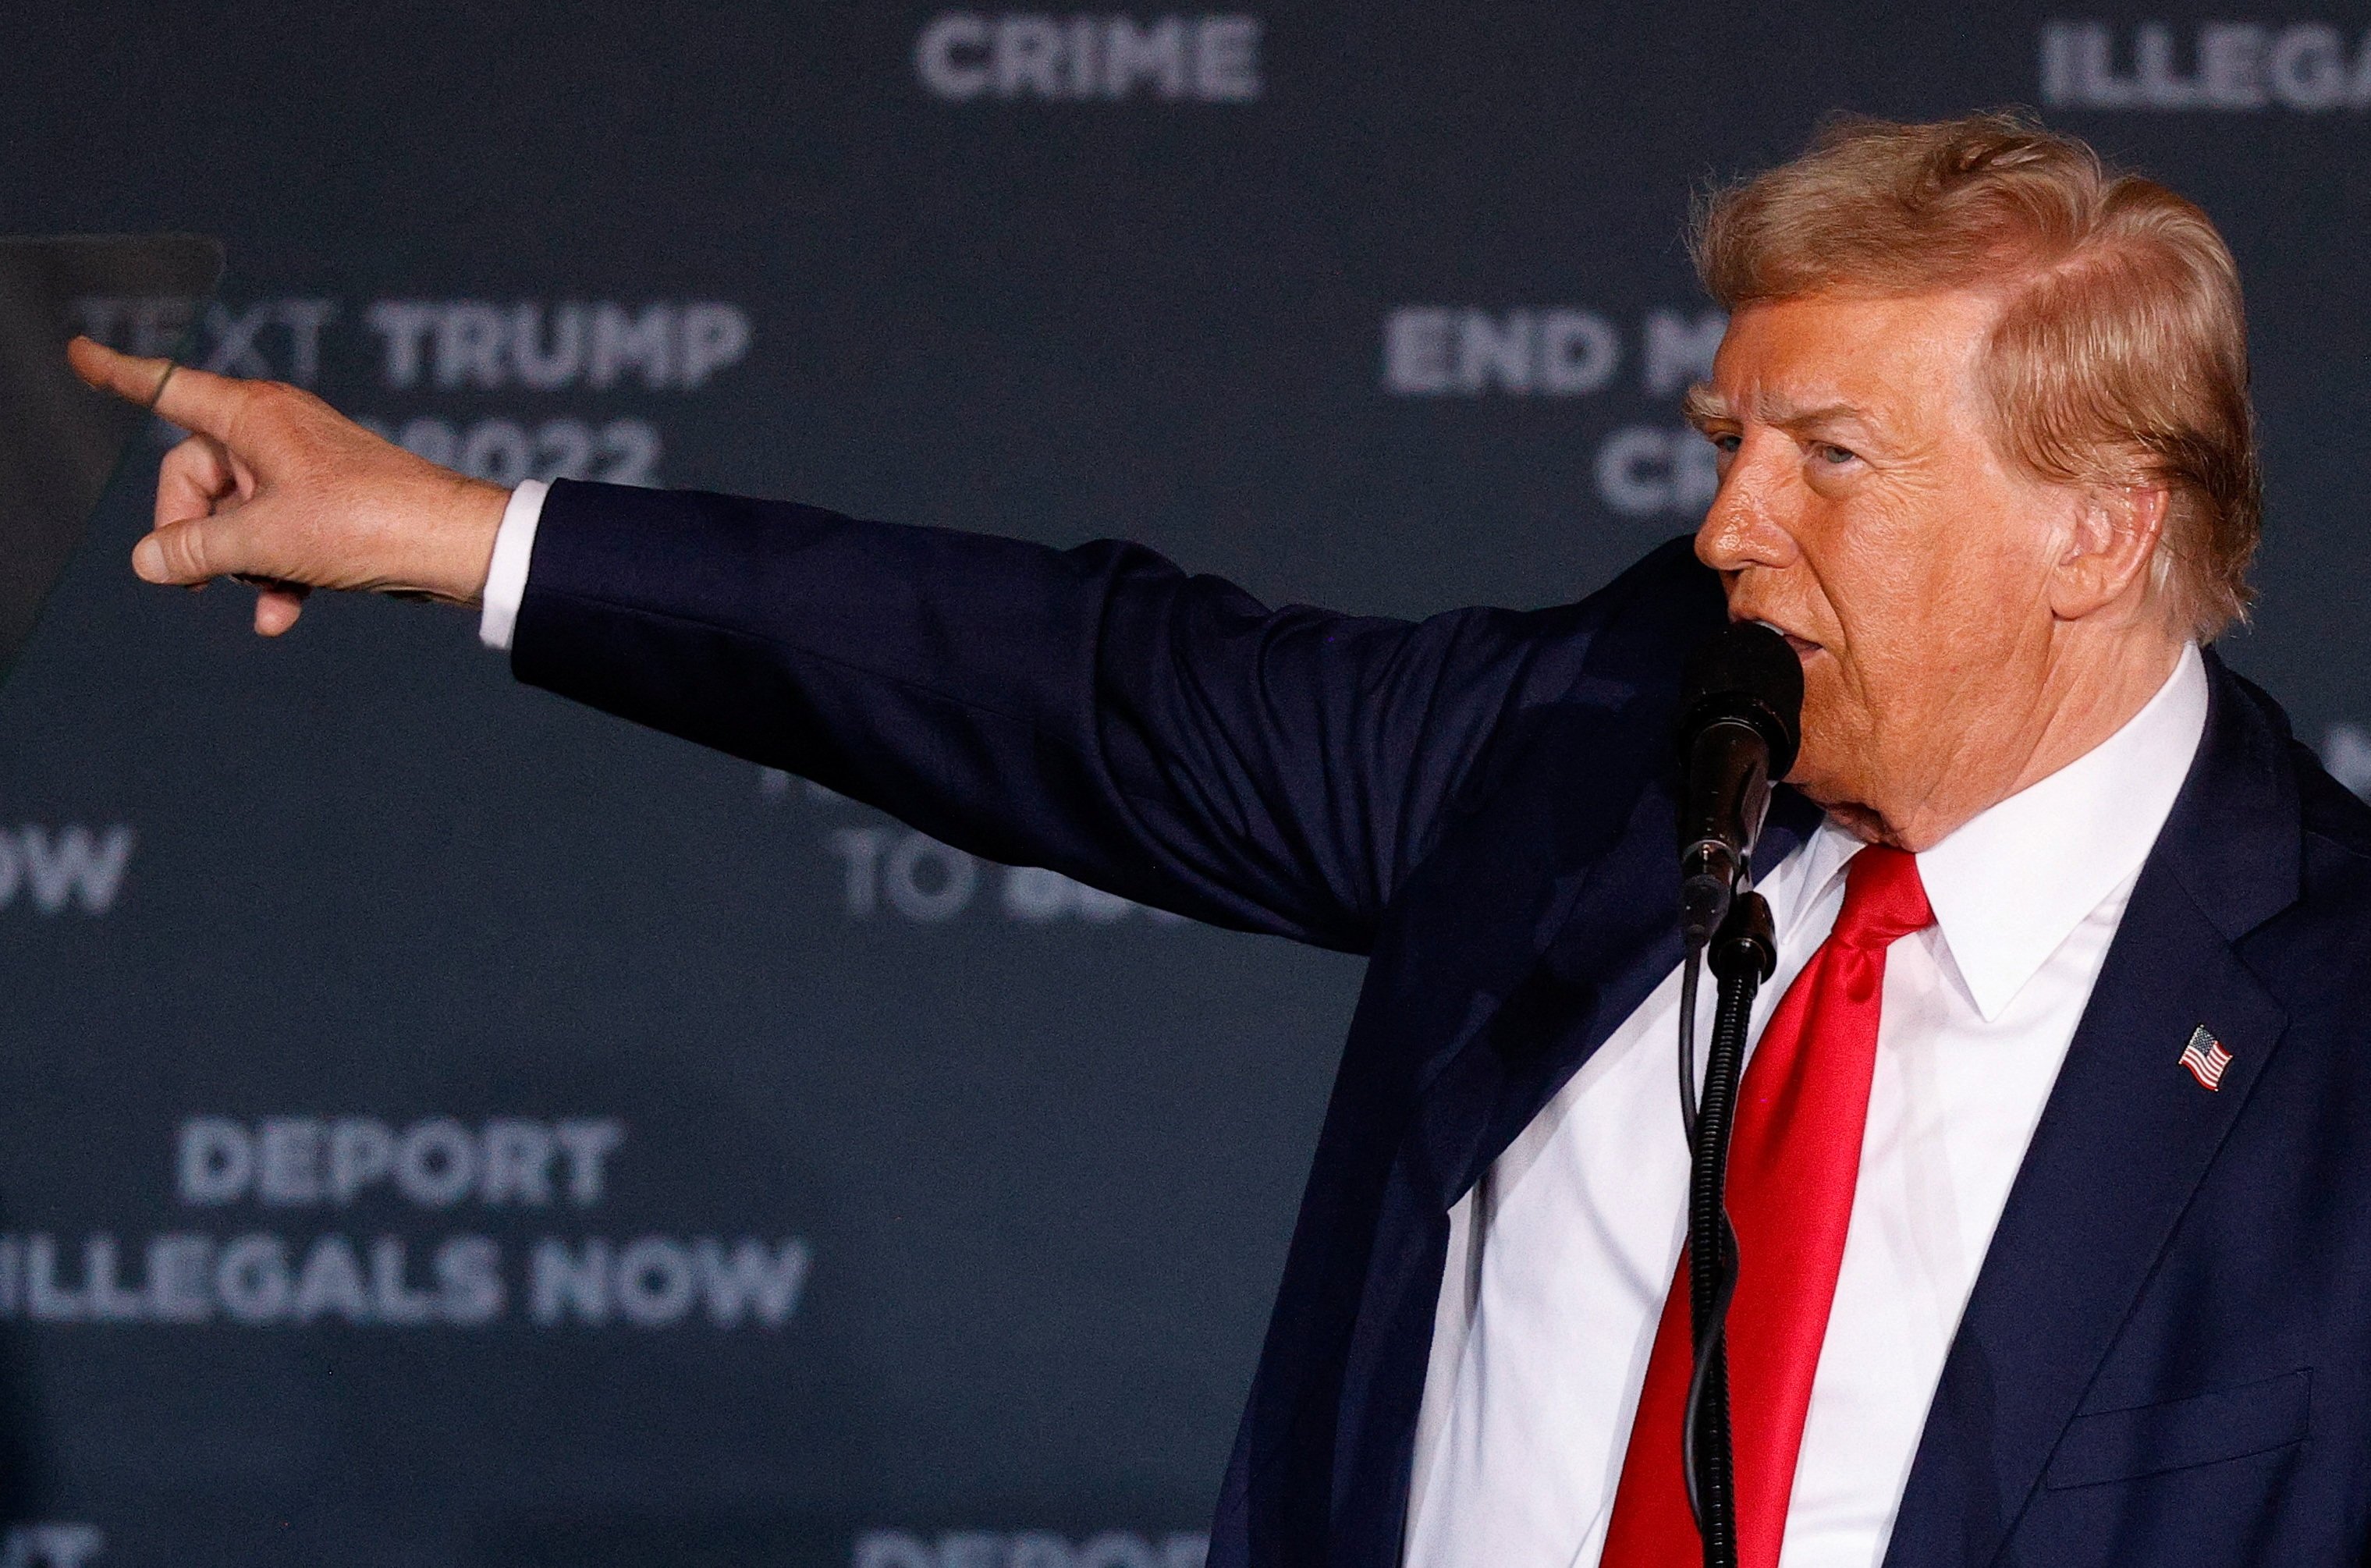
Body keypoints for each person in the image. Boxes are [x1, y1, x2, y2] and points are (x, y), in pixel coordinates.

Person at [67, 112, 2371, 1568]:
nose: (1725, 526)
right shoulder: (1598, 738)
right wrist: (459, 529)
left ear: (2096, 525)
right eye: (1724, 435)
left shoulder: (2328, 1037)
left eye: (1829, 460)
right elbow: (1071, 681)